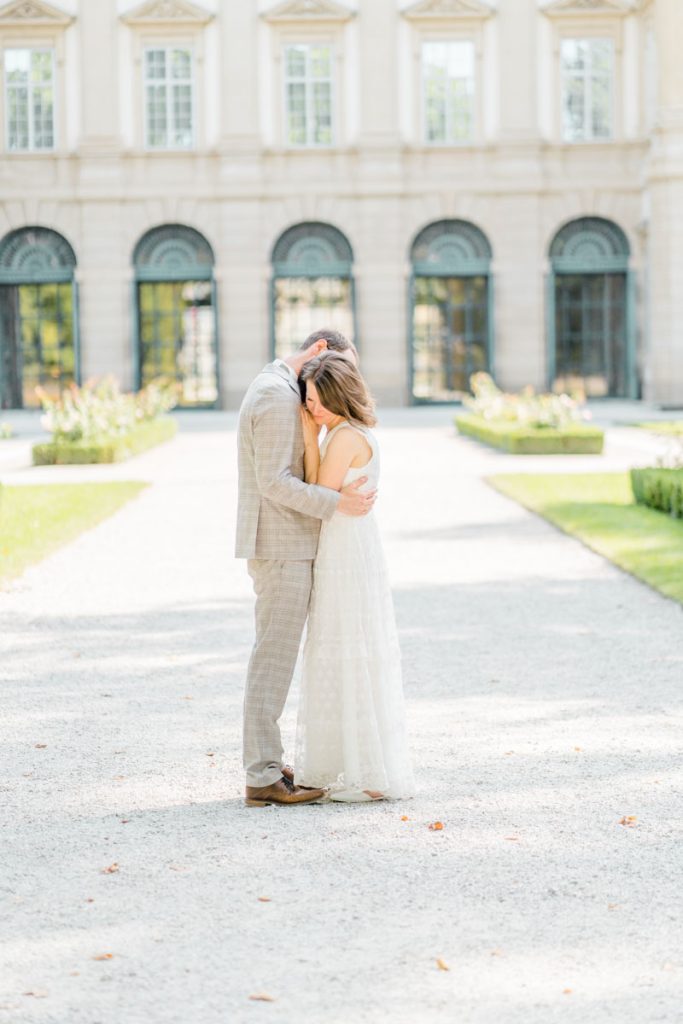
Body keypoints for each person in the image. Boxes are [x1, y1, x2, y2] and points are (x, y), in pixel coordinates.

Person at [236, 330, 374, 807]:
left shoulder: (277, 386)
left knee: (274, 656)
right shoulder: (276, 396)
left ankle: (268, 764)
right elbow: (274, 482)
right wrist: (337, 502)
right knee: (272, 660)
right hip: (281, 546)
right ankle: (261, 775)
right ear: (317, 352)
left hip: (284, 543)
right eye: (334, 372)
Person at [295, 352, 415, 802]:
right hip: (350, 546)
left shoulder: (343, 437)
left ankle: (364, 770)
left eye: (318, 402)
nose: (312, 409)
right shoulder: (353, 432)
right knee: (348, 647)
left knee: (345, 647)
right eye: (308, 402)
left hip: (346, 550)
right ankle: (352, 762)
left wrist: (309, 439)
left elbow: (317, 492)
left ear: (339, 397)